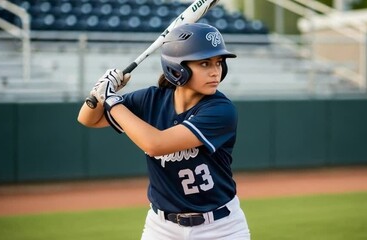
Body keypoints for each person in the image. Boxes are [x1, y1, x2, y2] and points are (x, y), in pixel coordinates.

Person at [77, 23, 250, 240]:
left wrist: (110, 99)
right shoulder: (151, 100)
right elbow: (88, 119)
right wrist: (98, 93)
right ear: (177, 68)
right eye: (205, 63)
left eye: (218, 63)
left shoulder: (221, 110)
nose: (215, 71)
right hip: (162, 228)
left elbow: (155, 144)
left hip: (220, 228)